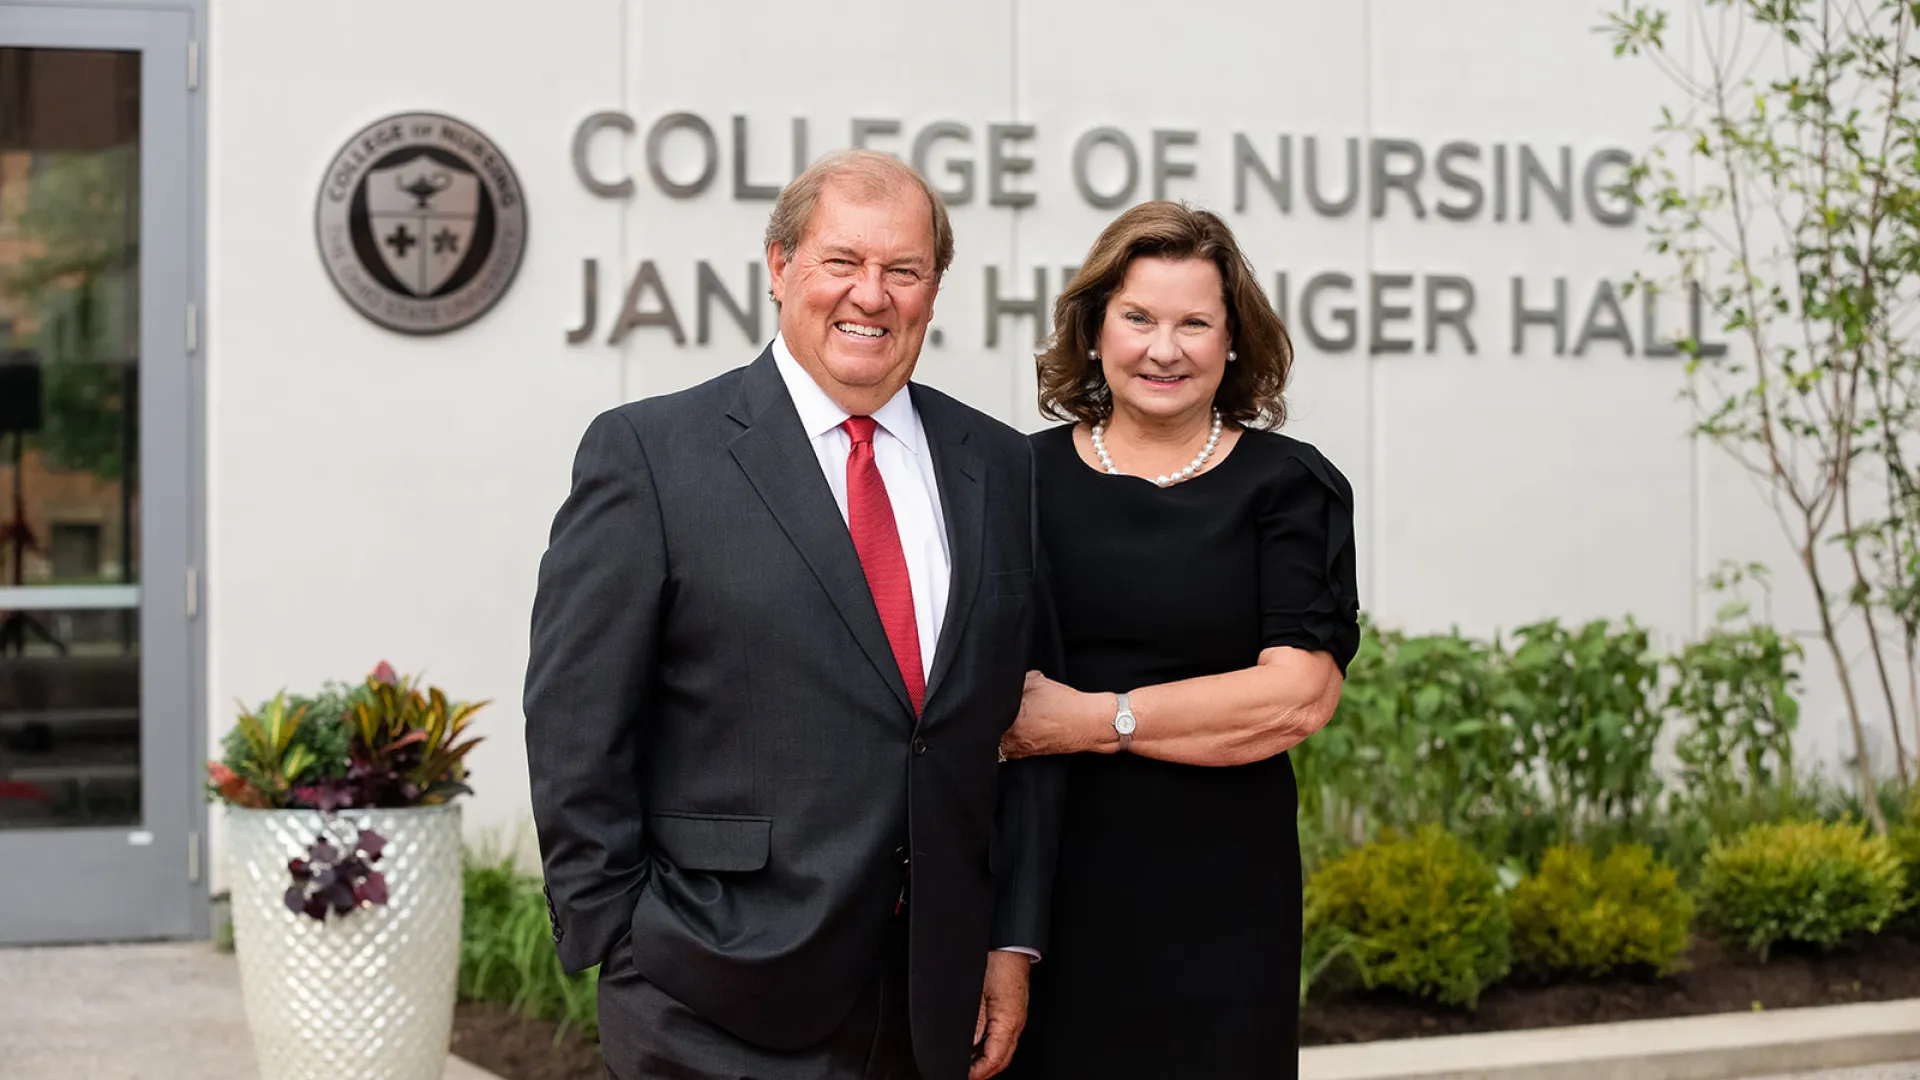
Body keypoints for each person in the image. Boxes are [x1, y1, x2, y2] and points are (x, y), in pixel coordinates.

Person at [524, 149, 1064, 1080]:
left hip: (931, 1003)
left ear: (934, 290)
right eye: (841, 262)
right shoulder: (651, 456)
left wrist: (1009, 941)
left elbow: (1018, 719)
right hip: (707, 993)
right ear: (779, 268)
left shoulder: (999, 466)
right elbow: (577, 722)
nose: (873, 294)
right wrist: (621, 935)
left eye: (904, 270)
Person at [997, 201, 1360, 1080]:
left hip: (1220, 898)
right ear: (1091, 331)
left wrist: (1090, 720)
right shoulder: (1012, 480)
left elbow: (1295, 697)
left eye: (1195, 322)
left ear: (1234, 341)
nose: (1166, 348)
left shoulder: (1286, 486)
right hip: (1044, 889)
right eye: (1139, 318)